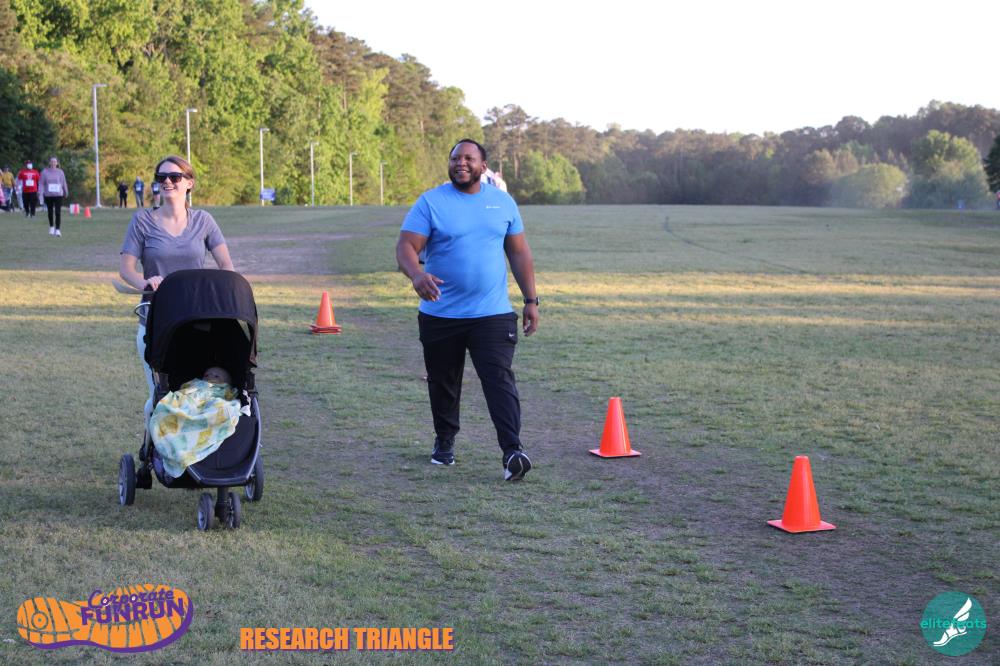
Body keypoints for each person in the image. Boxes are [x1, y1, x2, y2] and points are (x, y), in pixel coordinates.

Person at [395, 139, 539, 481]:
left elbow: (519, 252)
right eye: (455, 158)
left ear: (483, 166)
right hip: (440, 313)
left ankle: (512, 451)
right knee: (443, 382)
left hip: (492, 313)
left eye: (469, 158)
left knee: (499, 379)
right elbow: (406, 246)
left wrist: (531, 300)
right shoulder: (431, 202)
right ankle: (444, 441)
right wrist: (417, 275)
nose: (461, 163)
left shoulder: (502, 203)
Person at [118, 155, 235, 427]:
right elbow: (126, 269)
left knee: (194, 390)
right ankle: (153, 443)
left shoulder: (203, 221)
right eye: (161, 178)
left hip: (195, 320)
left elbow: (226, 265)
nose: (167, 182)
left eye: (175, 177)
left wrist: (220, 288)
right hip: (156, 321)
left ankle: (195, 444)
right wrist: (145, 282)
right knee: (161, 394)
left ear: (189, 183)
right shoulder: (142, 220)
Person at [149, 365, 246, 480]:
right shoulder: (197, 384)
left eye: (216, 376)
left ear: (226, 382)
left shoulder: (224, 389)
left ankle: (197, 427)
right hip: (191, 406)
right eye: (207, 375)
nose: (210, 377)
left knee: (224, 409)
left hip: (213, 404)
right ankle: (181, 438)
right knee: (165, 409)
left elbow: (230, 397)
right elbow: (184, 391)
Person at [39, 156, 69, 236]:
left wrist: (66, 191)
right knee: (50, 211)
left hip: (58, 195)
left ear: (57, 163)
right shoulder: (44, 172)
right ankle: (52, 227)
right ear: (49, 163)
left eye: (55, 161)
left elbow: (63, 182)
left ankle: (58, 229)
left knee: (58, 212)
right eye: (52, 161)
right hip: (48, 195)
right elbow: (41, 183)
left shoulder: (60, 172)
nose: (53, 163)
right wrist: (40, 193)